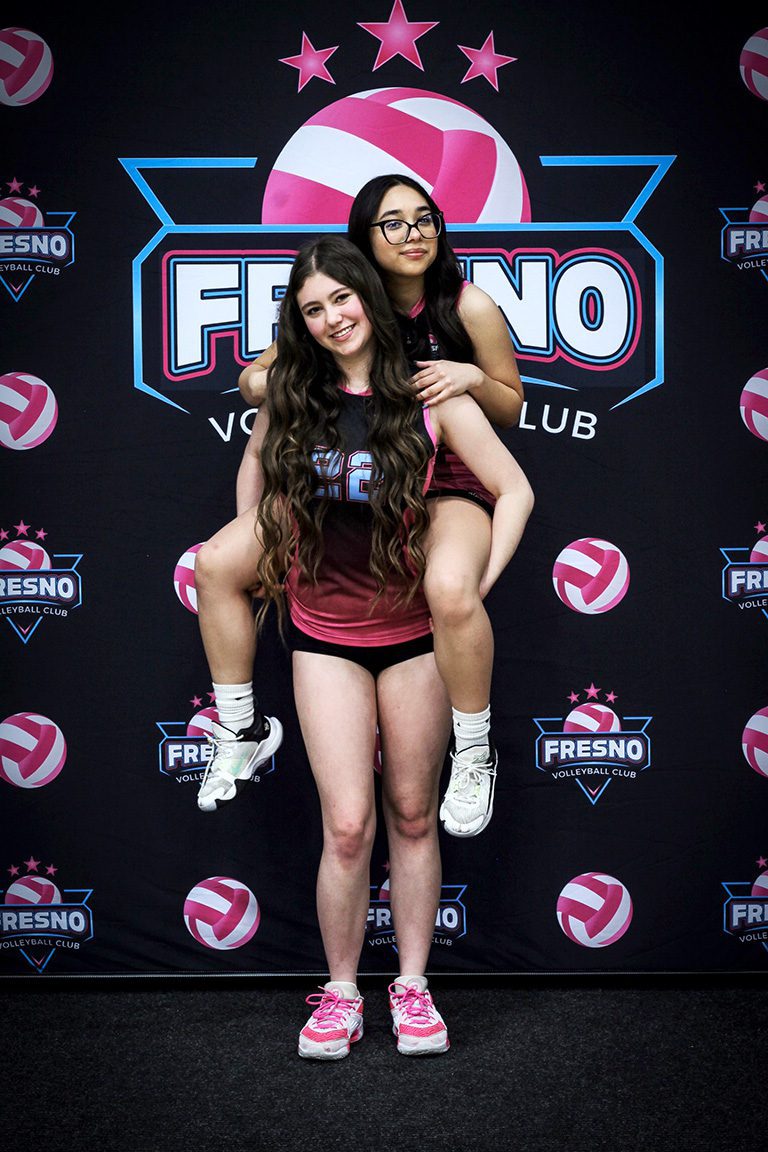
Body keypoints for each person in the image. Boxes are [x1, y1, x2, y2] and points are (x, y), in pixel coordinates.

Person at [242, 234, 531, 1058]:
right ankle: (340, 992)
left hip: (414, 636)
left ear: (369, 298)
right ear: (299, 323)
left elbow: (513, 488)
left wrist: (472, 588)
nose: (332, 317)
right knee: (345, 825)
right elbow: (254, 468)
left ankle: (411, 986)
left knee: (411, 812)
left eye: (341, 298)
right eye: (312, 309)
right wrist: (259, 541)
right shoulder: (294, 392)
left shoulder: (429, 388)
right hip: (325, 632)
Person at [235, 173, 526, 838]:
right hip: (367, 488)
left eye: (424, 218)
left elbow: (511, 408)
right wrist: (268, 384)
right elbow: (258, 377)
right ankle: (237, 727)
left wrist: (471, 377)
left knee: (450, 590)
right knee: (223, 562)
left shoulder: (468, 305)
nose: (413, 234)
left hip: (449, 482)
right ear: (363, 241)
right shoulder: (347, 305)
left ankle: (474, 751)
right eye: (392, 223)